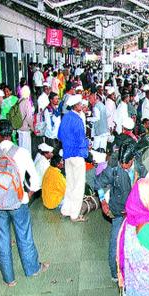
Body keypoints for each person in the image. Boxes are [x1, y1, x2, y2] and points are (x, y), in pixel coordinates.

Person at [0, 120, 49, 286]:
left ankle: (9, 279)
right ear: (12, 134)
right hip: (19, 202)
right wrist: (26, 196)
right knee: (24, 236)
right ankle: (32, 269)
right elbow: (35, 181)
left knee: (1, 240)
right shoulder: (21, 152)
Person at [94, 143, 136, 281]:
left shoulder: (140, 168)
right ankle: (114, 273)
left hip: (135, 211)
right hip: (119, 211)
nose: (124, 168)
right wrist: (103, 201)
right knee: (115, 243)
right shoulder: (113, 169)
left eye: (127, 166)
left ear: (133, 159)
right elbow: (98, 183)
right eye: (121, 165)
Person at [57, 94, 89, 222]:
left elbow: (59, 135)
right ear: (76, 106)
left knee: (70, 183)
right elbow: (81, 140)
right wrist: (87, 144)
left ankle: (66, 210)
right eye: (80, 104)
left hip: (67, 155)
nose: (82, 105)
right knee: (78, 186)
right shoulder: (78, 120)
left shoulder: (65, 117)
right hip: (77, 156)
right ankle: (75, 214)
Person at [18, 85, 35, 154]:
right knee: (26, 150)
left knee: (21, 147)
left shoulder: (19, 101)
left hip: (19, 128)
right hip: (25, 128)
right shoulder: (27, 102)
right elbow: (29, 117)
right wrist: (32, 127)